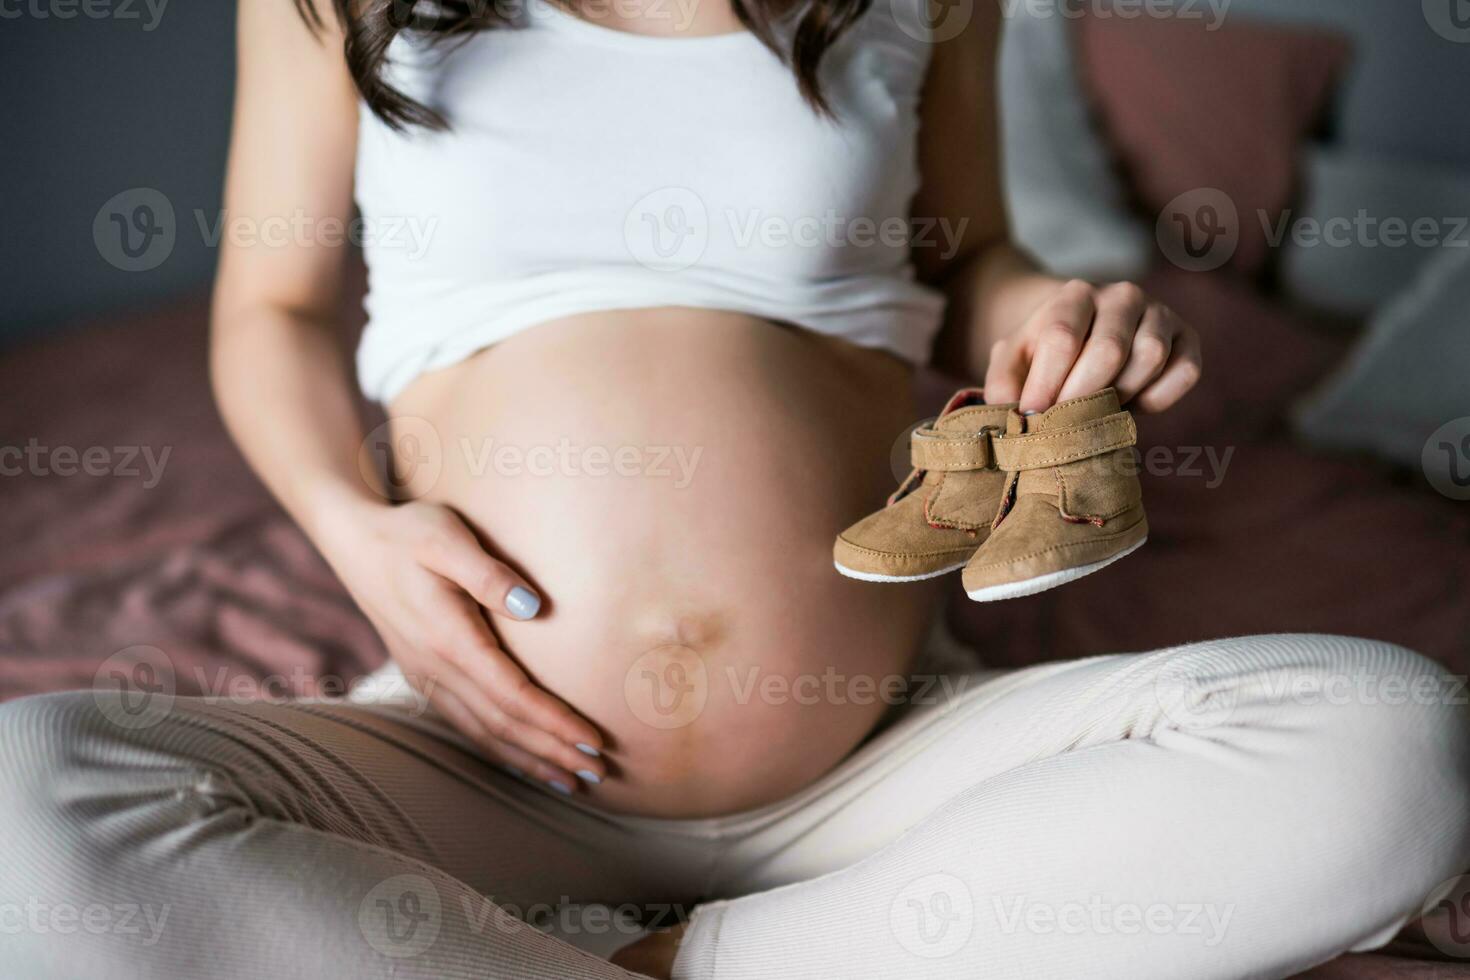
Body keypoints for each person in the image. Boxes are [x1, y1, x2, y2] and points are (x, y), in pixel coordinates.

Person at [1, 0, 1465, 976]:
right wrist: (353, 533)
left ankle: (673, 964)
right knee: (24, 803)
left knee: (1398, 737)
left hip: (883, 764)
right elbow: (270, 311)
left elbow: (973, 266)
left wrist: (1061, 317)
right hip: (466, 769)